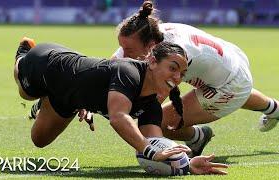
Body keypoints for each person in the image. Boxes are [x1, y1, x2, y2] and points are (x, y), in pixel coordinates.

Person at [14, 37, 228, 175]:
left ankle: (50, 99)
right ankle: (23, 55)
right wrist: (147, 149)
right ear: (152, 62)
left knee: (39, 140)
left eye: (181, 73)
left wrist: (186, 164)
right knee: (25, 93)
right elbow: (118, 117)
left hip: (70, 97)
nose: (177, 77)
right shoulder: (129, 72)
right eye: (172, 68)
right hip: (46, 64)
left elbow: (157, 143)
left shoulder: (152, 105)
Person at [111, 1, 279, 157]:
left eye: (129, 49)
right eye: (122, 47)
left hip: (230, 83)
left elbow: (150, 104)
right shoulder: (149, 31)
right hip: (230, 61)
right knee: (233, 86)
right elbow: (114, 65)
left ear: (150, 45)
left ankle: (197, 137)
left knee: (158, 121)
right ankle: (275, 109)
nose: (125, 54)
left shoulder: (173, 55)